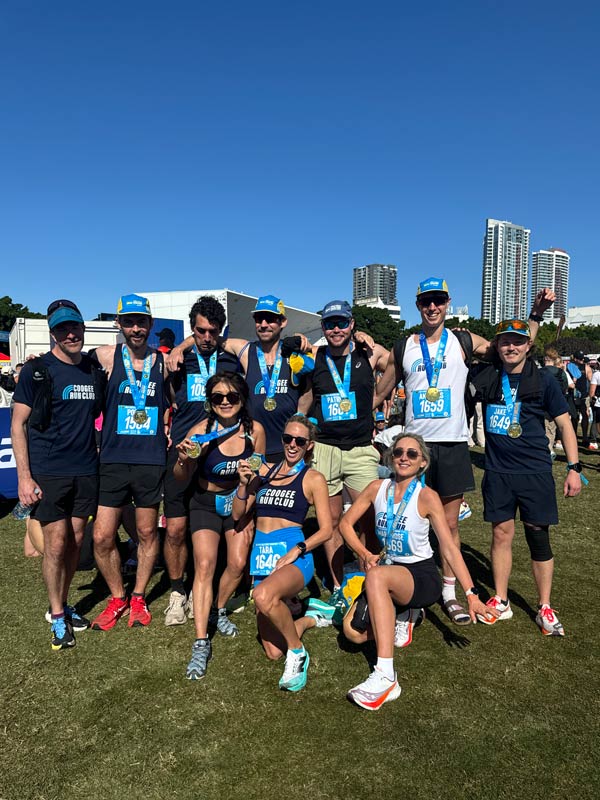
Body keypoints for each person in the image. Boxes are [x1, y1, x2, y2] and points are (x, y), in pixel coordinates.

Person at [373, 278, 553, 626]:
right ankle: (410, 592)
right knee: (407, 521)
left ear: (447, 302)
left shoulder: (464, 340)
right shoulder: (404, 345)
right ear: (418, 305)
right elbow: (382, 391)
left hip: (453, 445)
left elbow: (513, 346)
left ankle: (449, 592)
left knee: (449, 525)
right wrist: (357, 424)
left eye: (438, 300)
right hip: (415, 449)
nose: (433, 307)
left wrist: (535, 316)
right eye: (426, 301)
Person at [338, 433, 496, 710]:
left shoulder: (427, 496)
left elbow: (449, 549)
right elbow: (345, 524)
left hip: (421, 576)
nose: (404, 458)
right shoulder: (377, 488)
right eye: (398, 452)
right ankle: (405, 613)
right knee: (352, 633)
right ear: (390, 457)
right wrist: (364, 553)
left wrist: (471, 594)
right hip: (388, 571)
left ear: (423, 462)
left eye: (412, 454)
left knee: (376, 576)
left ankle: (386, 676)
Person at [473, 319, 582, 635]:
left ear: (528, 345)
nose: (511, 347)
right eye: (505, 341)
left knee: (538, 537)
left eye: (518, 341)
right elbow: (468, 348)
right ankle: (501, 599)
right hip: (498, 472)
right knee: (501, 534)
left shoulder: (544, 378)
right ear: (496, 346)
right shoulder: (488, 375)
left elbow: (564, 424)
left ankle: (544, 606)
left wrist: (574, 468)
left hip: (535, 472)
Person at [11, 299, 100, 649]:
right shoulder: (37, 371)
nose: (70, 334)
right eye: (62, 329)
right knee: (56, 543)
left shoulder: (92, 368)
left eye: (74, 326)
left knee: (76, 540)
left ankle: (62, 603)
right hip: (49, 471)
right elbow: (18, 425)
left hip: (85, 470)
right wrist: (24, 477)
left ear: (83, 328)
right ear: (53, 334)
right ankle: (57, 614)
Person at [174, 371, 266, 680]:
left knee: (238, 563)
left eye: (232, 396)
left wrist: (245, 500)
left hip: (238, 500)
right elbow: (180, 478)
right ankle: (201, 641)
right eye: (217, 397)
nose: (225, 402)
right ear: (210, 402)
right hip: (205, 503)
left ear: (242, 399)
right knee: (204, 564)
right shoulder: (201, 431)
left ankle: (218, 608)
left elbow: (257, 474)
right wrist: (183, 460)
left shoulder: (255, 431)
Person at [231, 414, 332, 691]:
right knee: (273, 652)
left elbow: (326, 530)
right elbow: (238, 514)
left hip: (295, 557)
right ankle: (309, 617)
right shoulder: (265, 472)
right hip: (262, 559)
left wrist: (298, 550)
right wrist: (243, 484)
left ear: (309, 445)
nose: (292, 445)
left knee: (263, 596)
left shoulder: (313, 478)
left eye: (299, 440)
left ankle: (298, 653)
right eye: (288, 438)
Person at [299, 299, 389, 603]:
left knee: (370, 520)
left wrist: (378, 399)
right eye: (330, 324)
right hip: (325, 448)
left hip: (361, 449)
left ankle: (370, 580)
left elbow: (398, 363)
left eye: (341, 323)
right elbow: (306, 396)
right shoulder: (316, 356)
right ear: (323, 327)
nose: (335, 329)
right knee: (331, 522)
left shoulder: (368, 352)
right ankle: (339, 587)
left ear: (351, 324)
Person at [90, 294, 169, 630]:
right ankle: (117, 596)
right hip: (113, 459)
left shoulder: (163, 362)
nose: (136, 328)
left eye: (141, 322)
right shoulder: (104, 357)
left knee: (147, 532)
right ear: (118, 324)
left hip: (150, 460)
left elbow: (177, 401)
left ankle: (138, 596)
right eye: (129, 322)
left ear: (151, 324)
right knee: (102, 536)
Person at [163, 296, 242, 626]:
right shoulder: (179, 360)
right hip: (184, 449)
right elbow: (169, 396)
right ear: (192, 329)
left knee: (214, 522)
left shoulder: (231, 359)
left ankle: (202, 586)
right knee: (176, 527)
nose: (206, 337)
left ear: (221, 330)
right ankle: (177, 591)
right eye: (200, 331)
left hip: (221, 450)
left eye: (213, 331)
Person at [169, 294, 312, 464]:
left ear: (283, 322)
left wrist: (301, 338)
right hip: (252, 446)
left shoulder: (294, 353)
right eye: (259, 319)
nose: (264, 324)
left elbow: (308, 388)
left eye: (270, 319)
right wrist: (179, 348)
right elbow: (208, 335)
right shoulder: (245, 350)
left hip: (288, 446)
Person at [566, 350, 593, 447]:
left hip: (583, 396)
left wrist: (591, 394)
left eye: (582, 359)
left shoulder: (586, 367)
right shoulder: (569, 367)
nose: (581, 360)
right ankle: (574, 436)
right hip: (572, 395)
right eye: (579, 359)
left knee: (584, 416)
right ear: (575, 358)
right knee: (574, 417)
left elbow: (591, 380)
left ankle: (585, 437)